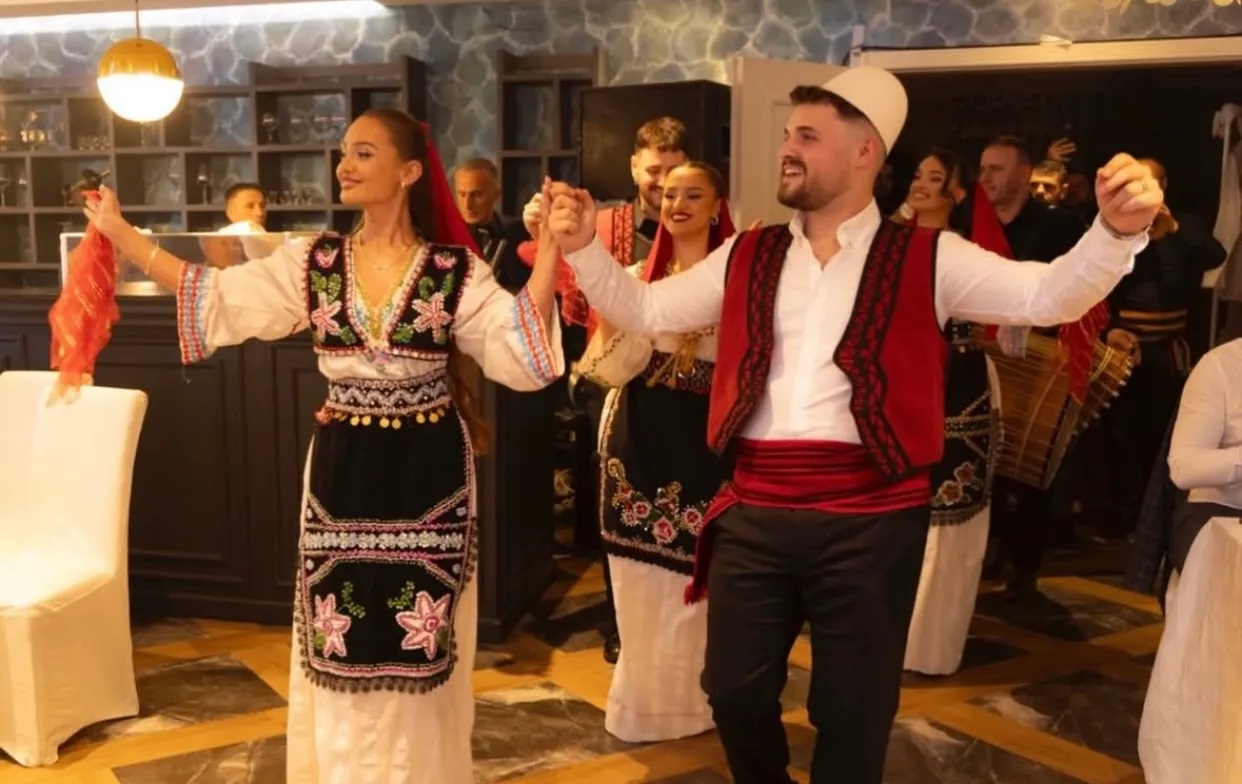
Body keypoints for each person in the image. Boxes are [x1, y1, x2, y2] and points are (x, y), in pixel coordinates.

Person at [546, 65, 1160, 784]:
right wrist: (584, 247)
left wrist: (1115, 232)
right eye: (787, 133)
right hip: (755, 507)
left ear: (865, 151)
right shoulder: (747, 252)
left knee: (854, 709)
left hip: (872, 514)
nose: (786, 148)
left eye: (807, 136)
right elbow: (647, 310)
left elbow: (1049, 295)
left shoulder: (931, 256)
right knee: (734, 690)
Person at [82, 108, 564, 783]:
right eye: (344, 151)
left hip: (429, 475)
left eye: (364, 152)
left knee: (418, 639)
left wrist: (552, 253)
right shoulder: (314, 261)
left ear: (409, 171)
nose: (344, 164)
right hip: (342, 471)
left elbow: (520, 347)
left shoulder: (452, 269)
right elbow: (212, 292)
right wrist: (120, 232)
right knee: (341, 637)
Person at [521, 115, 692, 664]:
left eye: (673, 169)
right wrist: (542, 229)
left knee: (684, 506)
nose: (662, 182)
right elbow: (554, 273)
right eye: (653, 170)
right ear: (634, 167)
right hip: (614, 383)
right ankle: (622, 623)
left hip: (685, 389)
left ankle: (682, 625)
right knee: (617, 506)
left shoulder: (702, 219)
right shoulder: (605, 224)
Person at [576, 161, 735, 742]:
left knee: (697, 580)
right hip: (638, 438)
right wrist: (627, 315)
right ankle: (638, 707)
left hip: (706, 444)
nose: (678, 204)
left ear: (717, 207)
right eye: (669, 195)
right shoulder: (633, 279)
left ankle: (691, 704)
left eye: (693, 194)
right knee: (638, 574)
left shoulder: (738, 282)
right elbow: (607, 369)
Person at [890, 149, 1007, 676]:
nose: (920, 184)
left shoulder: (962, 253)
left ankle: (929, 647)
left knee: (949, 513)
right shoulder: (886, 246)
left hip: (956, 385)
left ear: (956, 194)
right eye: (917, 175)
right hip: (898, 386)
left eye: (934, 178)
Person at [453, 158, 530, 292]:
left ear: (496, 194)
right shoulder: (444, 237)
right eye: (462, 194)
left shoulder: (518, 232)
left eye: (476, 194)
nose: (467, 205)